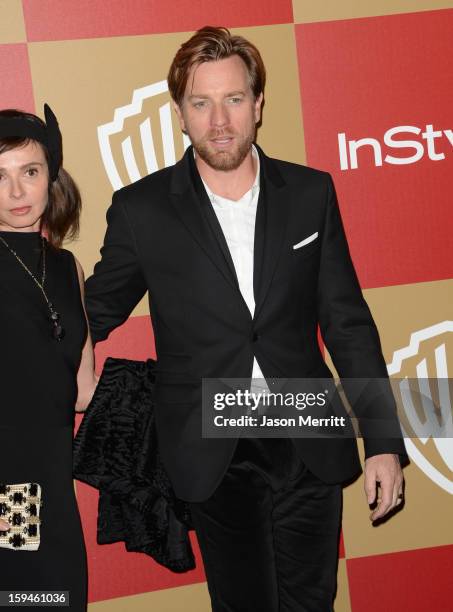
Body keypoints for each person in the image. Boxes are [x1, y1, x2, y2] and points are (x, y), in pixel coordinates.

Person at [85, 27, 406, 611]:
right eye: (200, 103)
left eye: (233, 99)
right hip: (214, 446)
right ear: (180, 113)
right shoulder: (143, 210)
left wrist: (384, 440)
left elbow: (348, 324)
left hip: (309, 436)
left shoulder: (310, 193)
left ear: (258, 105)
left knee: (311, 603)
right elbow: (93, 313)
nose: (220, 120)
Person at [0, 106, 96, 611]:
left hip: (52, 480)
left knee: (55, 597)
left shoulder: (64, 267)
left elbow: (82, 389)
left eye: (30, 172)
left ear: (50, 177)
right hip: (8, 483)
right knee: (25, 597)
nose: (17, 192)